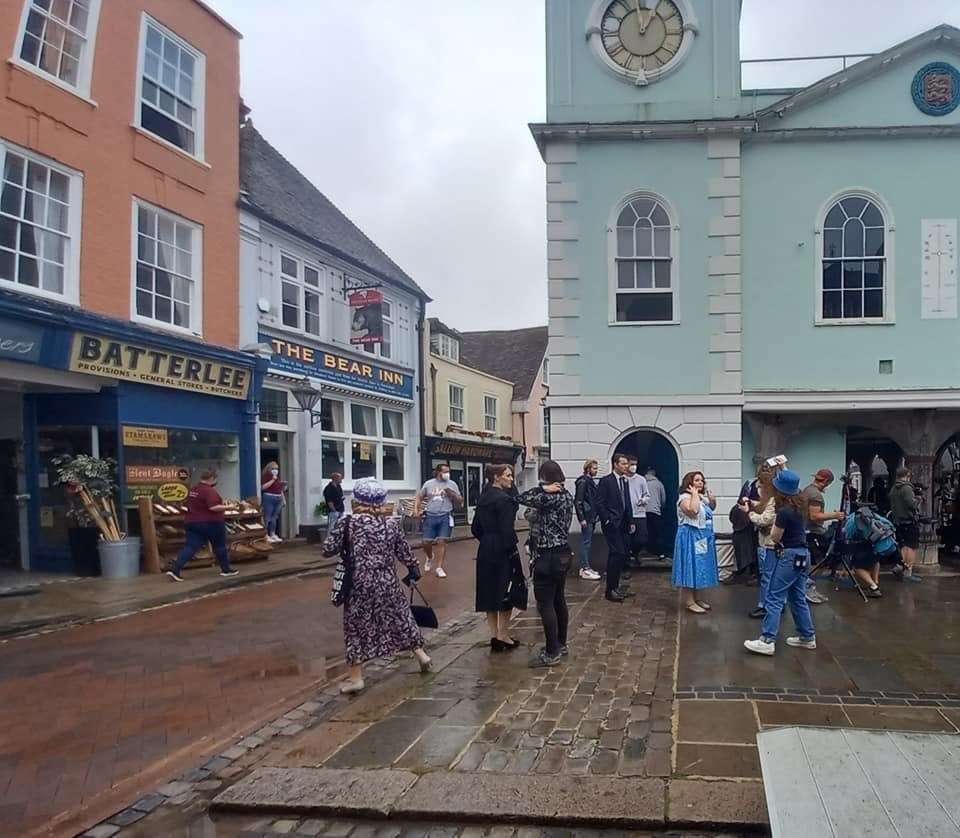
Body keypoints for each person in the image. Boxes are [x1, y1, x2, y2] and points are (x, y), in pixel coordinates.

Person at [322, 478, 431, 694]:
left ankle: (356, 678)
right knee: (400, 617)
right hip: (387, 580)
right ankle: (422, 655)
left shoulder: (348, 522)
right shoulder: (391, 523)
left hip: (359, 583)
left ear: (358, 499)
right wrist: (413, 568)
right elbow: (404, 552)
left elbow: (327, 549)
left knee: (356, 627)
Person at [744, 469, 817, 656]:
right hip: (803, 555)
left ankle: (767, 640)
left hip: (789, 556)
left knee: (774, 597)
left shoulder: (784, 511)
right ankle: (807, 637)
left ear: (779, 490)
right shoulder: (800, 507)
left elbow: (775, 537)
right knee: (797, 597)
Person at [519, 461, 575, 668]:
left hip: (547, 555)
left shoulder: (548, 496)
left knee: (545, 604)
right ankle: (561, 643)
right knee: (559, 599)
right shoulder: (567, 495)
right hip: (563, 553)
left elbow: (521, 497)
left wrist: (543, 488)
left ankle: (552, 651)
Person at [472, 464, 521, 653]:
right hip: (502, 548)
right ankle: (503, 635)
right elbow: (507, 530)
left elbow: (475, 527)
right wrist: (512, 553)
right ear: (496, 477)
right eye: (508, 475)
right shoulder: (504, 500)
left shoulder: (483, 498)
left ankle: (494, 635)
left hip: (485, 548)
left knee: (488, 591)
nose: (511, 479)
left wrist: (486, 539)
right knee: (506, 590)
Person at [167, 469, 239, 582]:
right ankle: (226, 570)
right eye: (216, 479)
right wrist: (230, 507)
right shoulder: (209, 491)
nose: (216, 481)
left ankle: (175, 569)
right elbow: (213, 507)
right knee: (219, 546)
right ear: (211, 479)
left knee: (191, 547)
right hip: (211, 523)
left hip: (192, 522)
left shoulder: (193, 490)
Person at [672, 471, 719, 613]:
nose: (701, 483)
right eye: (697, 480)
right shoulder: (684, 498)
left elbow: (710, 510)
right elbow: (692, 511)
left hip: (702, 536)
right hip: (689, 536)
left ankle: (697, 597)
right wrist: (693, 495)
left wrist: (712, 500)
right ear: (689, 483)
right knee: (689, 567)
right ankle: (689, 601)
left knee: (699, 567)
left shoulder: (701, 497)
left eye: (702, 480)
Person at [799, 469, 845, 604]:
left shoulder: (807, 490)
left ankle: (807, 588)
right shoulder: (815, 495)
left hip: (807, 531)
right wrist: (835, 515)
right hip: (813, 532)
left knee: (814, 563)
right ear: (825, 482)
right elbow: (814, 516)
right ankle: (807, 589)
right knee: (819, 563)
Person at [595, 453, 636, 603]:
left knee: (623, 553)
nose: (627, 467)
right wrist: (606, 519)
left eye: (627, 464)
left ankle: (616, 587)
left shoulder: (624, 481)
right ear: (615, 464)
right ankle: (610, 590)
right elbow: (599, 502)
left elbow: (627, 502)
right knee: (616, 553)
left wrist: (631, 521)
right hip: (612, 523)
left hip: (624, 523)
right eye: (624, 464)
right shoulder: (606, 481)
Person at [745, 461, 780, 619]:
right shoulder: (781, 497)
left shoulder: (774, 500)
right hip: (775, 542)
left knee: (767, 576)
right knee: (774, 576)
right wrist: (754, 504)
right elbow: (764, 506)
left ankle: (765, 606)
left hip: (769, 541)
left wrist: (749, 512)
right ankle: (778, 603)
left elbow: (764, 519)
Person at [415, 464, 462, 578]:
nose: (447, 474)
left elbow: (460, 500)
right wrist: (416, 510)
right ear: (438, 472)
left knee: (442, 541)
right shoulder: (429, 484)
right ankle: (430, 556)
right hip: (430, 515)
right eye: (445, 471)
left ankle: (439, 567)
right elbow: (419, 497)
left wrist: (452, 494)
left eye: (448, 471)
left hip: (445, 515)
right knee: (426, 542)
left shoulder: (452, 484)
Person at [889, 466, 922, 583]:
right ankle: (908, 573)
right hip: (909, 520)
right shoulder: (906, 488)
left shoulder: (893, 488)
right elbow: (911, 504)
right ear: (907, 475)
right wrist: (918, 498)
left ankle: (899, 566)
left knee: (903, 545)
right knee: (912, 546)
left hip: (898, 521)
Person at [574, 459, 602, 580]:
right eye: (594, 468)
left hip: (590, 516)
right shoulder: (583, 482)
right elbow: (578, 501)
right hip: (588, 517)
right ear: (588, 469)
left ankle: (585, 567)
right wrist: (582, 518)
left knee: (587, 542)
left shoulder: (588, 481)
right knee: (586, 543)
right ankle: (585, 568)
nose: (596, 470)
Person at [626, 457, 650, 565]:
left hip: (640, 513)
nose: (634, 467)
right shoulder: (623, 479)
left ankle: (635, 553)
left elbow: (647, 495)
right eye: (632, 464)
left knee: (642, 538)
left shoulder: (641, 479)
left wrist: (643, 500)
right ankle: (627, 559)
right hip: (626, 514)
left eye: (635, 464)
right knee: (627, 538)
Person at [644, 468, 667, 559]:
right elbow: (663, 498)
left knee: (645, 532)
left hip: (643, 512)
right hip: (655, 511)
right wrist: (661, 506)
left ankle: (644, 550)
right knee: (657, 533)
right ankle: (659, 552)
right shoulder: (659, 484)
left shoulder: (642, 482)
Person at [261, 461, 285, 543]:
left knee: (275, 517)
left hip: (278, 498)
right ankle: (265, 534)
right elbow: (263, 487)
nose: (275, 470)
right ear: (269, 469)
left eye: (277, 469)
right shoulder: (266, 476)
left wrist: (283, 499)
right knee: (267, 517)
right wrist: (272, 480)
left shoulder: (277, 478)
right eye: (273, 468)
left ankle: (273, 533)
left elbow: (280, 489)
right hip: (269, 497)